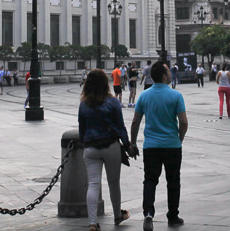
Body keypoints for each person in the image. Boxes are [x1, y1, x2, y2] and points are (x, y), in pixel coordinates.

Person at [130, 61, 187, 230]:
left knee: (150, 180)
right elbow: (183, 122)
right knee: (173, 180)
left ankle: (148, 213)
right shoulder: (176, 96)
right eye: (168, 71)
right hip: (172, 145)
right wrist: (179, 139)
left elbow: (135, 122)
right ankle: (173, 215)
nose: (170, 74)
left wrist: (132, 143)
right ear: (163, 76)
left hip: (151, 146)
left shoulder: (144, 96)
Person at [79, 69, 133, 231]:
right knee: (113, 183)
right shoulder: (113, 102)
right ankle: (117, 215)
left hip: (90, 148)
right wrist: (128, 145)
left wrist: (85, 142)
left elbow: (82, 129)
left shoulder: (84, 104)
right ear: (105, 84)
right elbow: (121, 127)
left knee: (93, 184)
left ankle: (92, 222)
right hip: (110, 146)